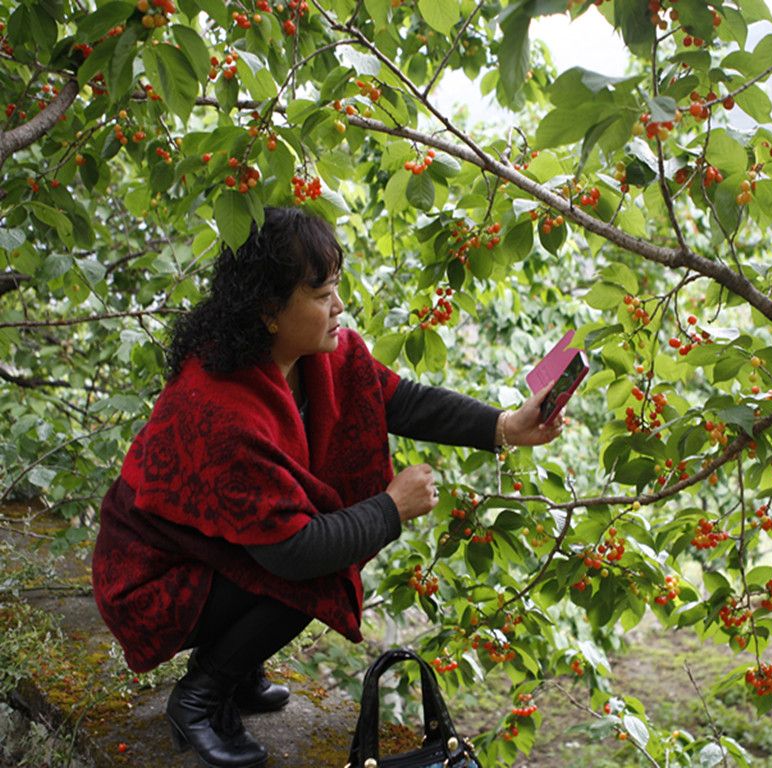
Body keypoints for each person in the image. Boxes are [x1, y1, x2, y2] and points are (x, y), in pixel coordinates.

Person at [91, 206, 564, 768]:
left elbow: (399, 400)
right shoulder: (220, 407)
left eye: (336, 288)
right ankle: (200, 696)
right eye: (322, 295)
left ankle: (237, 672)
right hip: (149, 580)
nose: (339, 306)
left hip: (209, 555)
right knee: (319, 569)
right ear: (269, 311)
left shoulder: (318, 357)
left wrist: (505, 426)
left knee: (318, 543)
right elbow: (295, 551)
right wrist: (391, 507)